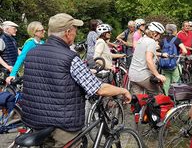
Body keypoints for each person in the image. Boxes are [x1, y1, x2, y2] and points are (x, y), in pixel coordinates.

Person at [21, 13, 131, 147]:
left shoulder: (32, 53)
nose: (76, 32)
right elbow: (99, 89)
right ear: (68, 32)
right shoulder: (69, 57)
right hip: (62, 124)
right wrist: (123, 90)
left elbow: (49, 76)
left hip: (35, 120)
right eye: (75, 29)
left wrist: (86, 72)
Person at [129, 22, 166, 95]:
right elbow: (149, 60)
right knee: (158, 94)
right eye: (160, 34)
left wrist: (160, 54)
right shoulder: (151, 42)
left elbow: (143, 53)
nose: (159, 37)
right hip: (142, 75)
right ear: (155, 33)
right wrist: (157, 75)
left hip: (133, 74)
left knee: (139, 99)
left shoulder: (141, 39)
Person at [159, 24, 187, 95]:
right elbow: (185, 51)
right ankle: (175, 98)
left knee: (166, 82)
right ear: (174, 31)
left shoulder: (163, 40)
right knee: (176, 82)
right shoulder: (177, 40)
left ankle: (166, 97)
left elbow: (156, 48)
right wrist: (180, 56)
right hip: (174, 64)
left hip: (164, 64)